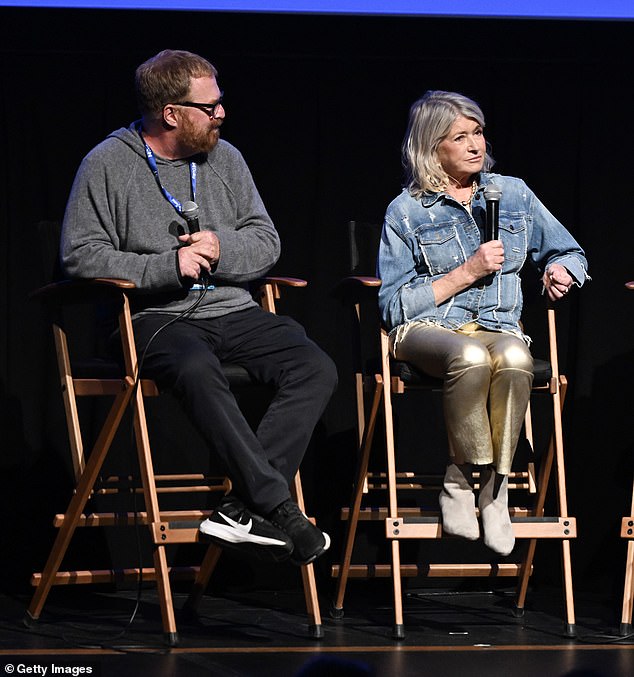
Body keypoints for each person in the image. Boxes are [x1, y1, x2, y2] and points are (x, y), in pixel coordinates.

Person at [60, 49, 337, 566]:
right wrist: (169, 265)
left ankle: (240, 507)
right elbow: (81, 253)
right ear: (171, 112)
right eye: (209, 107)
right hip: (152, 317)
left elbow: (266, 240)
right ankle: (278, 506)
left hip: (231, 309)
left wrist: (220, 248)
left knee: (314, 365)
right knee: (194, 366)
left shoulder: (225, 159)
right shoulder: (106, 163)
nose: (221, 115)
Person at [377, 90, 588, 556]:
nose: (475, 144)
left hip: (499, 326)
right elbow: (394, 304)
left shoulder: (511, 193)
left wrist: (560, 271)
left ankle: (495, 490)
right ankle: (460, 478)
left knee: (516, 357)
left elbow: (569, 250)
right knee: (469, 356)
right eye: (460, 137)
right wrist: (466, 272)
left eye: (478, 133)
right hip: (429, 329)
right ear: (433, 148)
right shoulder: (407, 210)